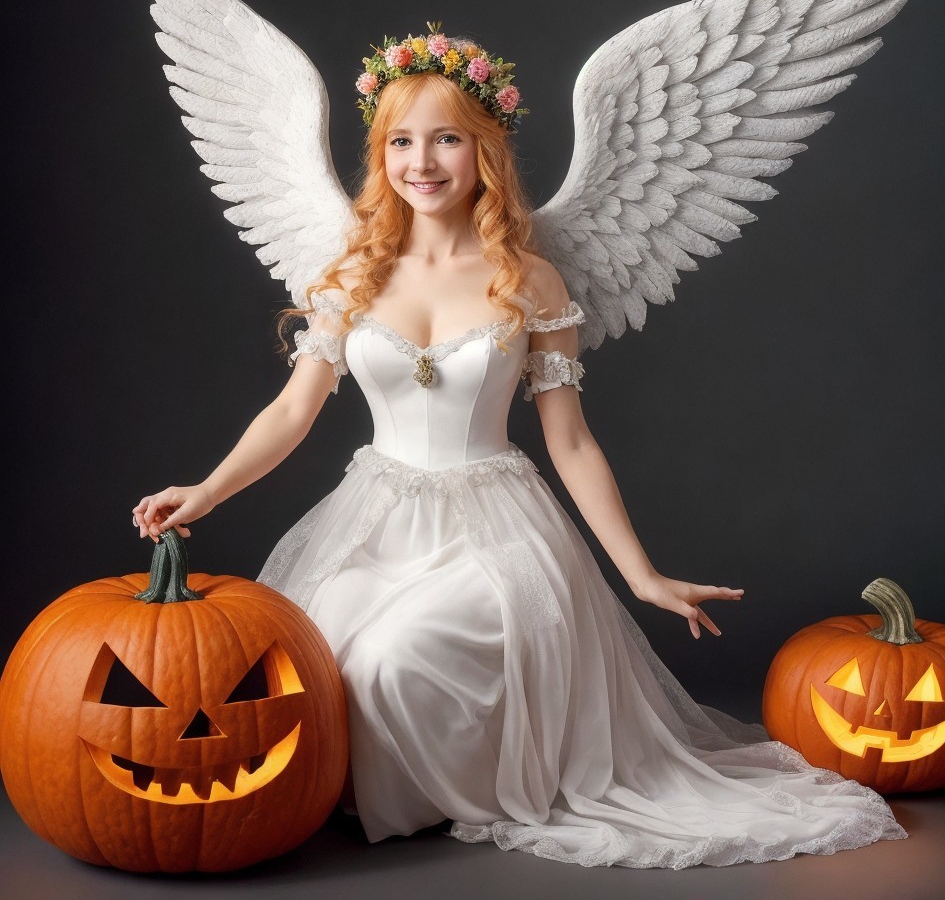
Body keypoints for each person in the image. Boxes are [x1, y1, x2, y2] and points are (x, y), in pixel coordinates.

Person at [133, 42, 905, 869]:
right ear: (378, 153)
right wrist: (206, 490)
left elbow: (569, 440)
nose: (421, 162)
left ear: (484, 151)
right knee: (320, 665)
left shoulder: (529, 280)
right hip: (375, 519)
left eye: (446, 139)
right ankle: (375, 796)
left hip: (490, 531)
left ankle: (432, 800)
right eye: (400, 141)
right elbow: (293, 410)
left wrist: (639, 574)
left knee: (395, 660)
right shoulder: (350, 276)